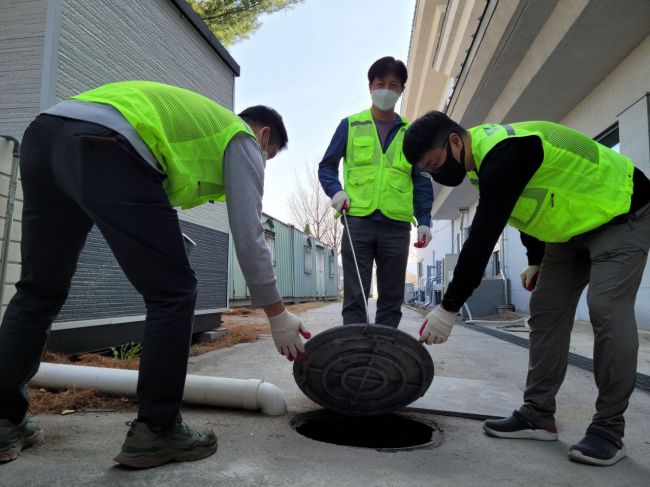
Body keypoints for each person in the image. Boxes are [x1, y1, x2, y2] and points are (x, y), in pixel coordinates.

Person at [0, 80, 311, 468]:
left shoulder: (193, 128)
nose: (261, 163)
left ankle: (4, 422)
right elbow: (250, 236)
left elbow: (144, 198)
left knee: (38, 290)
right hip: (104, 144)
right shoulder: (242, 137)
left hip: (44, 138)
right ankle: (158, 432)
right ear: (264, 135)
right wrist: (276, 314)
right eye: (270, 156)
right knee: (175, 293)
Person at [402, 111, 650, 466]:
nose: (435, 174)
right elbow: (524, 206)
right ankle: (538, 415)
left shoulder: (505, 151)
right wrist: (535, 258)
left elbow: (483, 236)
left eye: (434, 163)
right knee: (546, 313)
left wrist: (448, 308)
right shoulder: (480, 163)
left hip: (623, 209)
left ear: (454, 142)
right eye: (427, 171)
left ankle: (609, 429)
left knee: (606, 309)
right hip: (570, 232)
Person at [318, 56, 433, 328]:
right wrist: (336, 192)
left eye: (394, 85)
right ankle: (355, 349)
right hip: (357, 220)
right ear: (370, 86)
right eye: (381, 83)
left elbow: (421, 179)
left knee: (392, 296)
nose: (386, 90)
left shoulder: (411, 133)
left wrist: (425, 220)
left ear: (402, 90)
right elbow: (327, 166)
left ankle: (384, 353)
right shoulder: (350, 125)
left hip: (396, 225)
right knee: (356, 294)